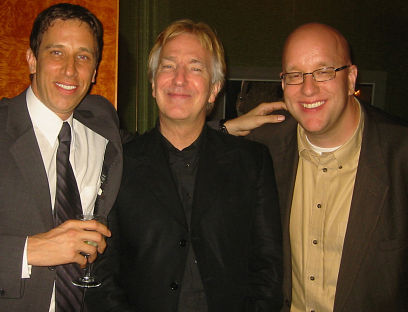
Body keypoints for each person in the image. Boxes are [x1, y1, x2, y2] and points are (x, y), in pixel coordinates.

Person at [86, 19, 283, 312]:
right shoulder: (118, 162)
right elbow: (102, 272)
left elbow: (268, 269)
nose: (179, 79)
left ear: (214, 89)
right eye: (168, 66)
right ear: (153, 84)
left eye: (195, 67)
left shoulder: (252, 163)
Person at [225, 23, 408, 312]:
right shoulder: (263, 148)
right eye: (295, 75)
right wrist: (225, 130)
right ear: (283, 84)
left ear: (351, 79)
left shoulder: (402, 157)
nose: (308, 89)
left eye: (324, 71)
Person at [0, 3, 122, 312]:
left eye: (83, 57)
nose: (70, 70)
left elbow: (158, 147)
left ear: (95, 71)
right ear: (32, 59)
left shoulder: (102, 124)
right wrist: (28, 251)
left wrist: (225, 127)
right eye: (56, 52)